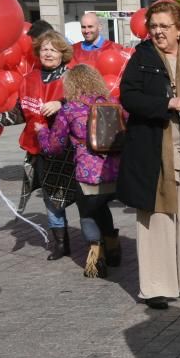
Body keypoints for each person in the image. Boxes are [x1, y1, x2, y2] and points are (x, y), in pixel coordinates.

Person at [116, 0, 180, 310]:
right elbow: (129, 96)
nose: (157, 32)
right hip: (154, 147)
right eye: (153, 26)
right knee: (156, 218)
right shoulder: (142, 56)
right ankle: (158, 287)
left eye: (164, 26)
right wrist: (167, 105)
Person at [0, 30, 76, 259]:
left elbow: (87, 104)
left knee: (83, 200)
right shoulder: (29, 79)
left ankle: (102, 243)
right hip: (39, 147)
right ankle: (60, 243)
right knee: (50, 196)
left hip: (70, 149)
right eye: (44, 49)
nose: (47, 53)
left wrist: (61, 103)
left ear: (62, 53)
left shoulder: (72, 77)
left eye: (53, 49)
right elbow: (19, 114)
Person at [36, 65, 123, 278]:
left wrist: (42, 132)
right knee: (101, 207)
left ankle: (97, 258)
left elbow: (53, 147)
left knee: (87, 213)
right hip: (115, 172)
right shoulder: (115, 104)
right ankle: (113, 248)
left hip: (87, 174)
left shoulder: (70, 109)